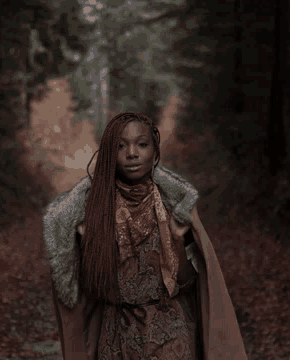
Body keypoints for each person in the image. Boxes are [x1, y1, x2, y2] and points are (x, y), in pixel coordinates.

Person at [43, 112, 248, 360]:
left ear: (155, 151)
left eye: (142, 144)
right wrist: (87, 243)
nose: (132, 153)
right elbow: (91, 290)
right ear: (109, 153)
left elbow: (186, 284)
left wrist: (179, 241)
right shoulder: (93, 209)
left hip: (169, 335)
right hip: (116, 337)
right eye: (121, 146)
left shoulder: (174, 206)